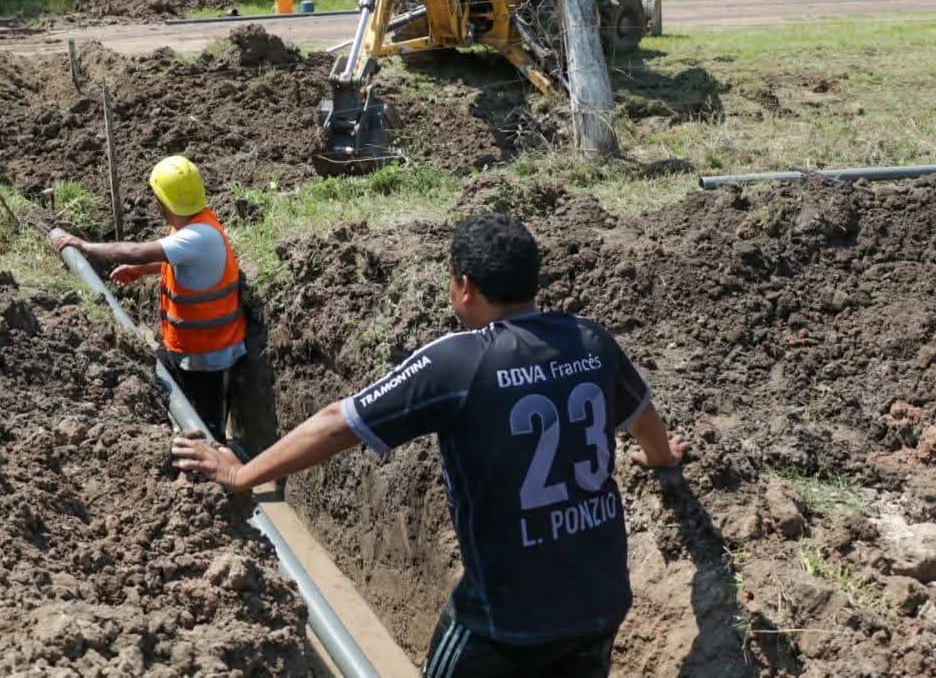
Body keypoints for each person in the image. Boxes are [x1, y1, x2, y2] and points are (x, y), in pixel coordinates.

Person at [173, 213, 688, 678]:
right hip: (600, 602)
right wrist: (661, 459)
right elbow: (641, 413)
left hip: (502, 621)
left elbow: (339, 422)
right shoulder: (591, 340)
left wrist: (240, 474)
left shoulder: (459, 363)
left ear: (465, 287)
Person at [48, 155, 247, 441]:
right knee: (156, 378)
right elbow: (185, 263)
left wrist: (85, 246)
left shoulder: (198, 236)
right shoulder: (196, 224)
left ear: (164, 202)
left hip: (207, 357)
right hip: (187, 348)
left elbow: (135, 251)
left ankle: (217, 459)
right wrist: (142, 270)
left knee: (207, 427)